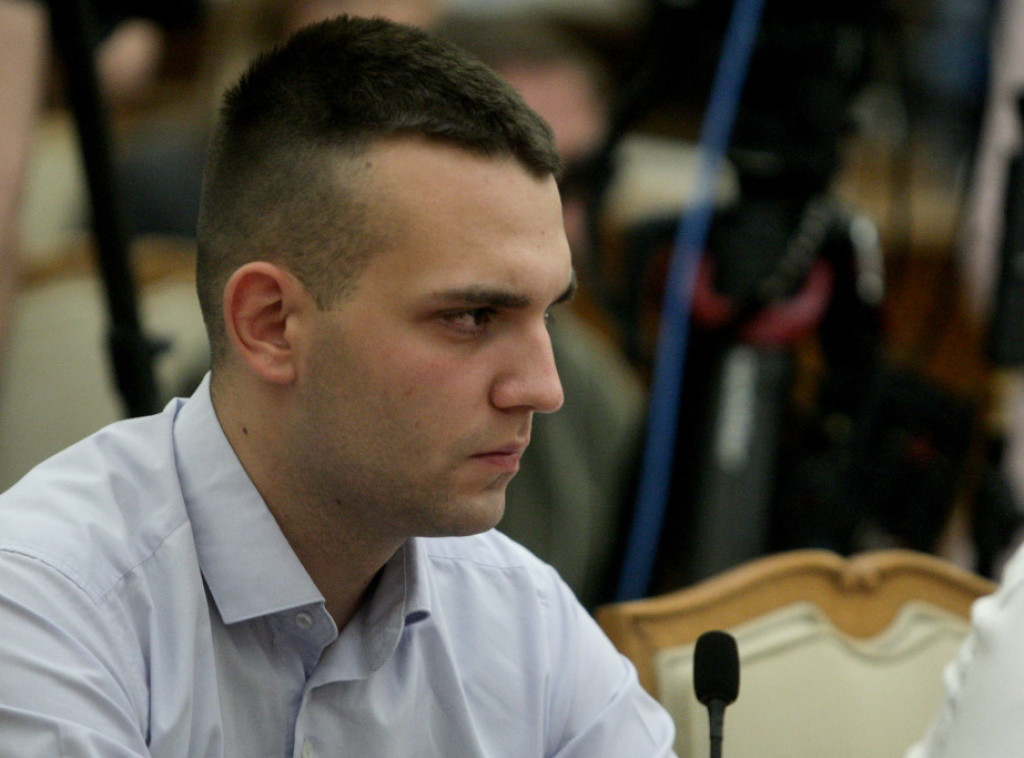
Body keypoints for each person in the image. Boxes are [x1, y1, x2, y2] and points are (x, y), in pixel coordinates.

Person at [0, 14, 676, 757]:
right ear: (270, 324)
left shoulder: (523, 614)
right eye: (472, 316)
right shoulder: (43, 606)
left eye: (546, 313)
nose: (543, 389)